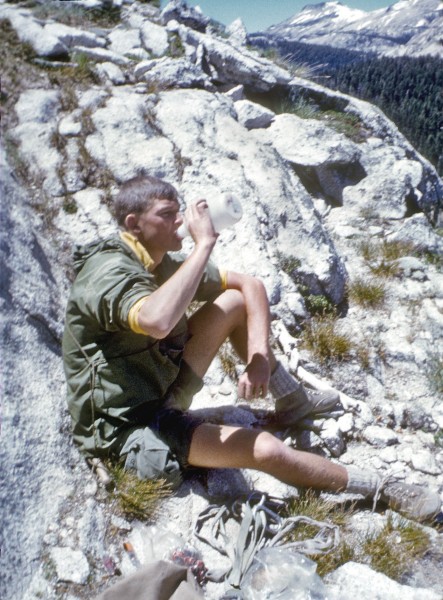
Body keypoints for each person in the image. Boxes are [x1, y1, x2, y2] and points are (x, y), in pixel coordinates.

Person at [62, 175, 441, 522]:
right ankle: (380, 487)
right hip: (127, 424)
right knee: (266, 451)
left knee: (233, 302)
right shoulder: (107, 270)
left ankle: (293, 403)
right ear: (134, 224)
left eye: (180, 212)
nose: (180, 221)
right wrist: (204, 245)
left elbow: (250, 287)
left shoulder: (158, 261)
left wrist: (258, 358)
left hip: (157, 384)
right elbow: (156, 320)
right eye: (167, 214)